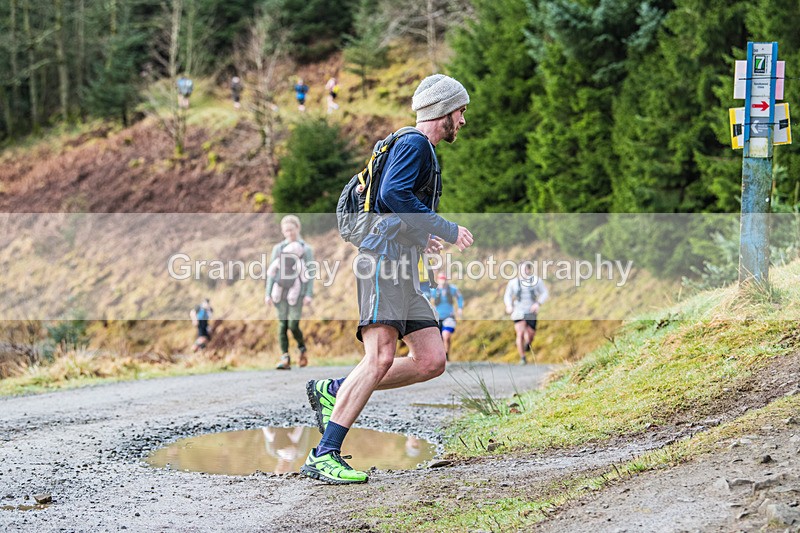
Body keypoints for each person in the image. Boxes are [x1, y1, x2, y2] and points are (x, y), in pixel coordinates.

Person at [301, 74, 474, 484]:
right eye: (461, 111)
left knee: (431, 360)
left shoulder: (418, 148)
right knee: (378, 357)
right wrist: (447, 229)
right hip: (382, 265)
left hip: (402, 268)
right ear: (444, 111)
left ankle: (335, 389)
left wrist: (421, 236)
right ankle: (324, 454)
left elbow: (392, 206)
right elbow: (393, 194)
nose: (463, 121)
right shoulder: (416, 144)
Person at [265, 215, 314, 369]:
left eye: (291, 230)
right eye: (286, 230)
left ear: (297, 228)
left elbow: (309, 273)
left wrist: (308, 294)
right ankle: (285, 357)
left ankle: (302, 348)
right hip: (279, 292)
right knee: (282, 324)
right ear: (282, 231)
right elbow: (272, 272)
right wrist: (267, 294)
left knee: (293, 324)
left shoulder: (306, 249)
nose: (289, 233)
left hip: (297, 293)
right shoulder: (278, 249)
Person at [504, 261, 549, 365]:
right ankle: (522, 358)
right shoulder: (513, 282)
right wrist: (509, 305)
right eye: (521, 270)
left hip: (531, 310)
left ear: (529, 270)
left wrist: (538, 303)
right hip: (518, 311)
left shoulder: (537, 281)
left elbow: (545, 293)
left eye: (525, 269)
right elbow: (507, 295)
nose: (523, 272)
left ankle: (528, 344)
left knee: (530, 335)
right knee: (520, 333)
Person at [429, 272, 463, 359]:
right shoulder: (434, 290)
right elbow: (427, 297)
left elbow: (459, 297)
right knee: (439, 338)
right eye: (441, 279)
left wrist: (460, 308)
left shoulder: (452, 289)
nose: (443, 281)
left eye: (444, 279)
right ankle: (441, 356)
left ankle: (446, 353)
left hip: (449, 316)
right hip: (438, 317)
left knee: (446, 335)